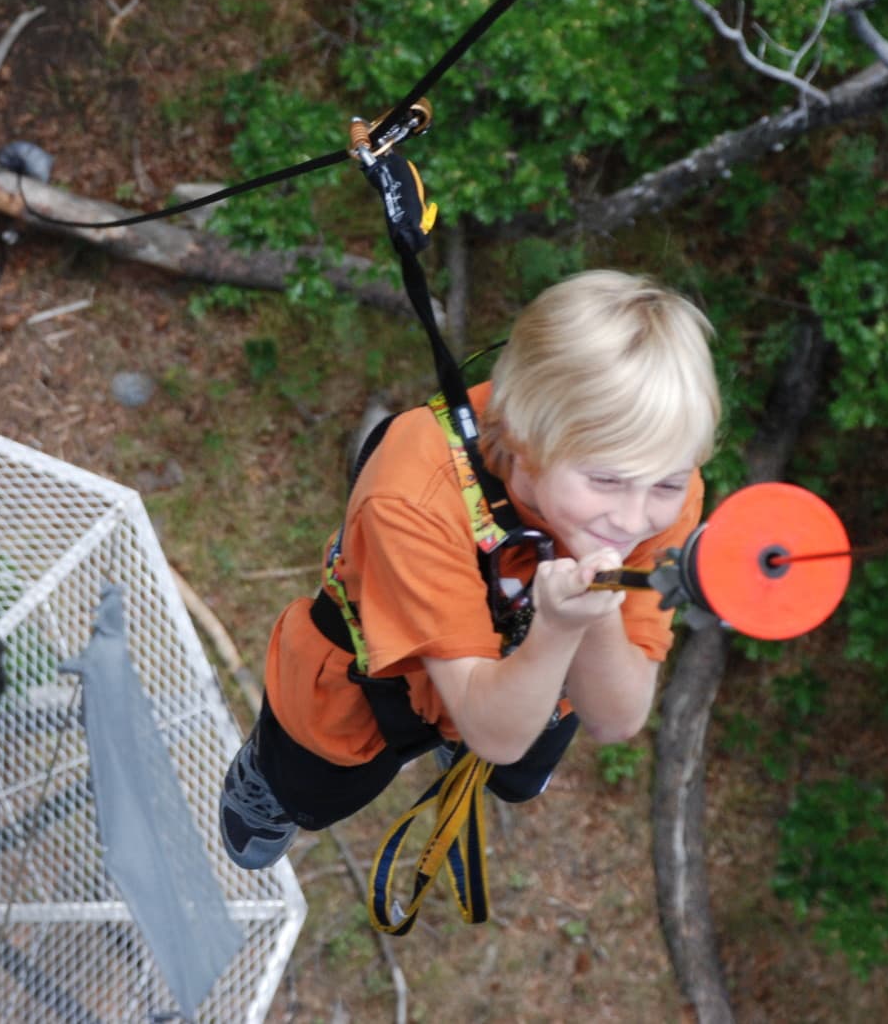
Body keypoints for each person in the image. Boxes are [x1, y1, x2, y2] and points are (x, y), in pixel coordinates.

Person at [219, 269, 720, 869]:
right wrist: (558, 628)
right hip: (379, 667)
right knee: (313, 776)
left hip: (536, 674)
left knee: (512, 766)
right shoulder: (412, 492)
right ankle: (275, 786)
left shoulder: (658, 470)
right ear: (525, 436)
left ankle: (465, 731)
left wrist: (593, 615)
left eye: (666, 483)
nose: (635, 518)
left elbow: (616, 717)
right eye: (606, 481)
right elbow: (497, 734)